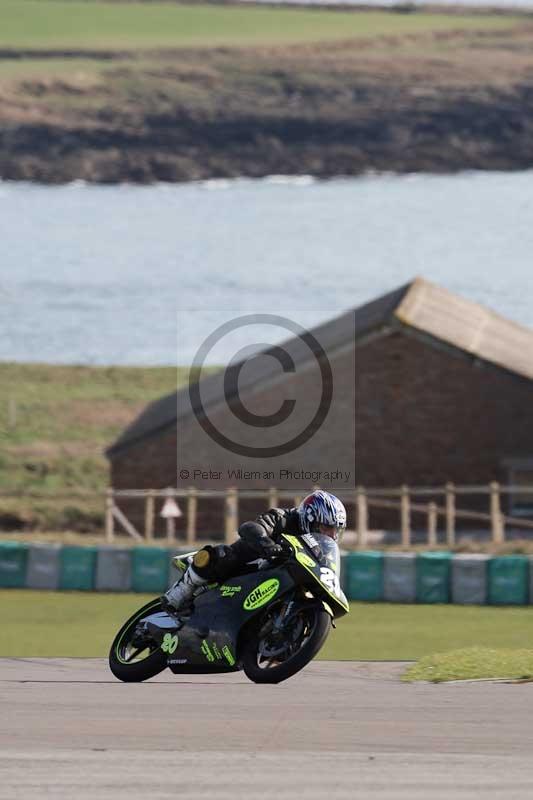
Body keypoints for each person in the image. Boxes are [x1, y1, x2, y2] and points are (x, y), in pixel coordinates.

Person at [162, 489, 347, 611]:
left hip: (280, 579)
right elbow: (249, 527)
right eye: (326, 528)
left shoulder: (321, 547)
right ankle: (184, 588)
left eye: (335, 530)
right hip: (253, 563)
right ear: (310, 518)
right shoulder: (283, 518)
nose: (331, 535)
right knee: (222, 554)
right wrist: (267, 545)